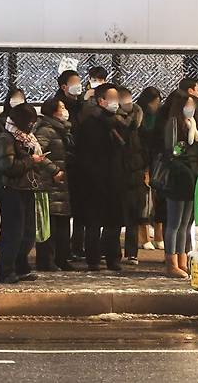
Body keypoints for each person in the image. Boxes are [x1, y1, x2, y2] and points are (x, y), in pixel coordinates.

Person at [75, 83, 128, 271]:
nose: (116, 102)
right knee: (94, 222)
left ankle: (113, 257)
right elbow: (86, 154)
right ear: (101, 100)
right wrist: (93, 176)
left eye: (117, 98)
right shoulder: (90, 123)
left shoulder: (120, 122)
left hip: (115, 178)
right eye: (111, 98)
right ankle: (93, 259)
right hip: (94, 181)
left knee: (114, 222)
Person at [0, 103, 47, 283]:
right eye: (29, 121)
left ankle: (21, 267)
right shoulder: (6, 139)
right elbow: (7, 166)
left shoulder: (26, 138)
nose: (32, 125)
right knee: (12, 232)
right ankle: (6, 270)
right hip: (11, 189)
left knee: (28, 232)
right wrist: (31, 161)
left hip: (26, 187)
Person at [34, 98, 77, 272]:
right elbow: (39, 155)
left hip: (62, 184)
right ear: (53, 112)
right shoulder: (45, 130)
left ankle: (62, 258)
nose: (65, 110)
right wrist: (54, 171)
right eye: (62, 107)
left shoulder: (62, 129)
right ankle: (46, 260)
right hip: (50, 183)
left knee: (62, 223)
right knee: (49, 224)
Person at [163, 94, 198, 278]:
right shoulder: (174, 123)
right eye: (187, 105)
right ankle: (171, 262)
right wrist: (183, 165)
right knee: (174, 223)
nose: (190, 108)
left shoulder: (192, 124)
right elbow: (172, 152)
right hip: (178, 178)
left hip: (191, 177)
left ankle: (182, 259)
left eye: (192, 105)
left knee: (186, 223)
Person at [115, 87, 147, 265]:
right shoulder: (115, 122)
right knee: (118, 218)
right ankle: (113, 252)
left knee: (132, 218)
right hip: (122, 175)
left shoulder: (138, 122)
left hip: (135, 175)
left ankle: (131, 252)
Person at [55, 70, 85, 262]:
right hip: (66, 164)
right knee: (63, 210)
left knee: (81, 208)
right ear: (64, 86)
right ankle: (63, 250)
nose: (78, 86)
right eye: (74, 83)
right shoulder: (58, 107)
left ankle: (78, 245)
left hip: (82, 163)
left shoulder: (82, 105)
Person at [136, 86, 164, 250]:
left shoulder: (160, 117)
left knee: (158, 201)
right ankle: (144, 237)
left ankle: (159, 236)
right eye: (154, 102)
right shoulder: (139, 117)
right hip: (143, 162)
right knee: (144, 202)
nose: (156, 106)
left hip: (157, 161)